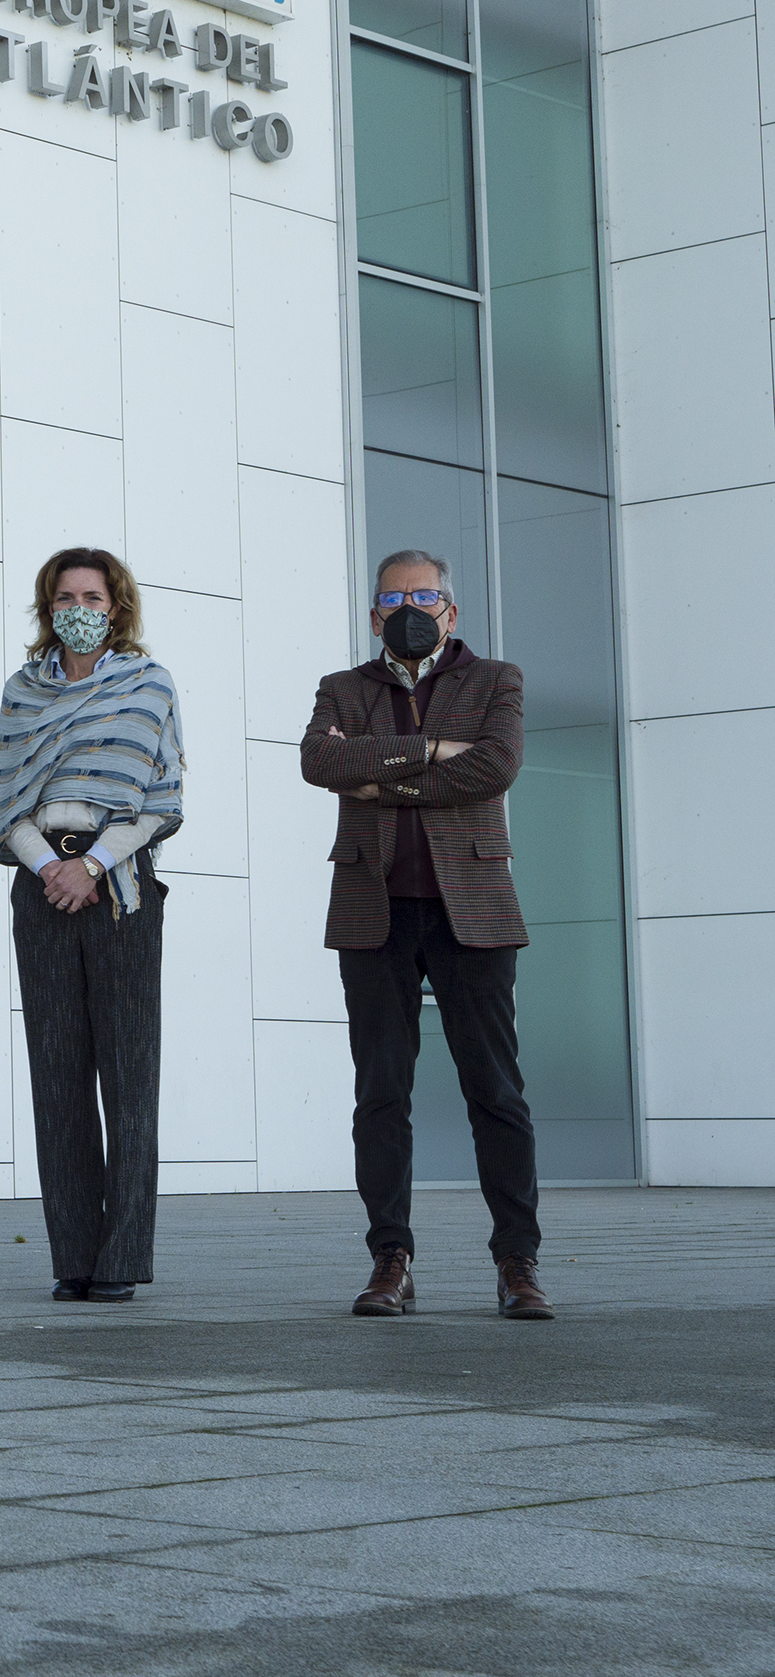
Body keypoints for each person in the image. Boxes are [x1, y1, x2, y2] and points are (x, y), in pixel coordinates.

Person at [301, 549, 549, 1321]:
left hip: (470, 907)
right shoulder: (343, 687)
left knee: (496, 1093)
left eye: (426, 593)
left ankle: (517, 1263)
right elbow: (319, 761)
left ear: (451, 606)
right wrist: (436, 751)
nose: (411, 606)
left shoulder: (495, 679)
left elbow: (497, 767)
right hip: (372, 909)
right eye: (394, 596)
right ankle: (390, 1261)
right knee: (381, 1094)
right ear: (374, 613)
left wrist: (378, 777)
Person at [0, 548, 185, 1303]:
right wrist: (49, 868)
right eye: (66, 596)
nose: (80, 606)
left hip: (121, 886)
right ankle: (73, 1255)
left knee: (130, 1079)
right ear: (48, 606)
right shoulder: (22, 690)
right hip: (39, 887)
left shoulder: (147, 683)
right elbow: (5, 798)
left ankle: (122, 1260)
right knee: (57, 1078)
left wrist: (91, 865)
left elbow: (162, 800)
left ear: (115, 606)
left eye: (93, 596)